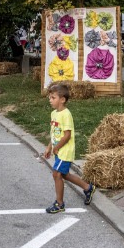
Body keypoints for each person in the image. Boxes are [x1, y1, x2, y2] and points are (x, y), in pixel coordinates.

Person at [44, 83, 96, 213]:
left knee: (56, 174)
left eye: (53, 97)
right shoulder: (54, 114)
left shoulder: (66, 114)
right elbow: (54, 133)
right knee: (65, 174)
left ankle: (59, 204)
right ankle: (88, 187)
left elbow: (67, 135)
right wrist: (49, 147)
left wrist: (57, 148)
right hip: (58, 149)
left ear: (62, 99)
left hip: (65, 151)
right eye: (49, 97)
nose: (50, 100)